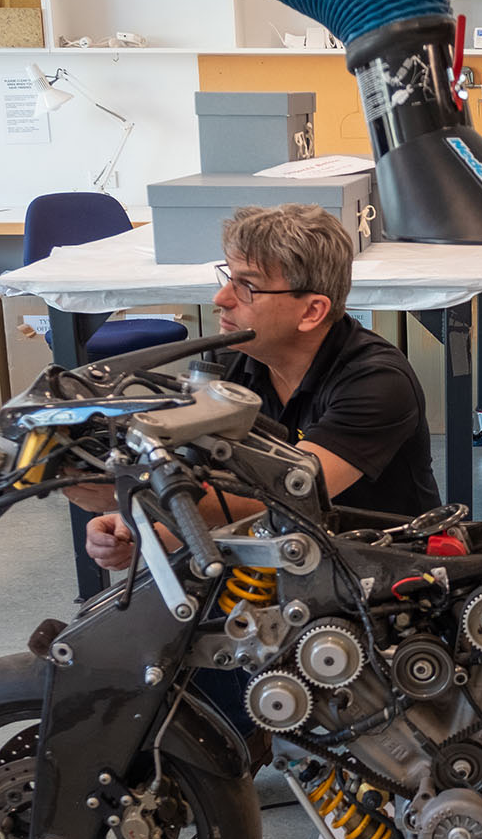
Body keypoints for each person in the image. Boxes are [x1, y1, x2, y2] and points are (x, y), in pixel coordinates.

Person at [84, 203, 441, 570]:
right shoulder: (230, 367)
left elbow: (293, 491)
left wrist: (132, 494)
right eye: (228, 278)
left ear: (311, 312)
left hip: (389, 571)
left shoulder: (377, 381)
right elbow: (206, 485)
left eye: (248, 287)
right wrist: (142, 532)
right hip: (286, 555)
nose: (221, 299)